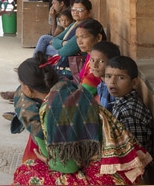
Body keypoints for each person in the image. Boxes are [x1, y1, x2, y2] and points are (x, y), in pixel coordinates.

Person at [12, 52, 151, 185]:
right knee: (27, 167)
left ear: (28, 89)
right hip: (107, 162)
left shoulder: (53, 109)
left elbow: (69, 166)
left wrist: (46, 157)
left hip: (108, 173)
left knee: (26, 178)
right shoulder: (65, 87)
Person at [106, 56, 154, 157]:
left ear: (134, 83)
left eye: (121, 78)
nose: (112, 81)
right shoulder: (121, 100)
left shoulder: (129, 112)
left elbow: (137, 153)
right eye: (109, 76)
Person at [75, 19, 107, 89]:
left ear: (98, 38)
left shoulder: (99, 61)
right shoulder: (90, 55)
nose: (79, 42)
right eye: (77, 37)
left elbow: (85, 92)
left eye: (83, 37)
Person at [89, 41, 120, 111]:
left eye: (101, 61)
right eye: (92, 60)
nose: (94, 65)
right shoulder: (101, 85)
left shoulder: (114, 90)